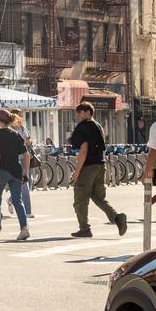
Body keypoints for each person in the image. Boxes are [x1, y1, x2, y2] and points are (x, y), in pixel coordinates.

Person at [68, 102, 127, 239]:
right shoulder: (98, 126)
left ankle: (84, 229)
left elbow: (83, 150)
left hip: (88, 167)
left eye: (80, 112)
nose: (78, 115)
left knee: (80, 200)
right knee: (98, 197)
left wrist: (77, 172)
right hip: (100, 165)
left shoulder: (84, 127)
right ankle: (117, 218)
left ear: (88, 112)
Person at [0, 109, 30, 240]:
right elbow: (26, 154)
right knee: (18, 200)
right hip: (16, 171)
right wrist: (25, 171)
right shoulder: (15, 134)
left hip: (2, 171)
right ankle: (24, 228)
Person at [6, 109, 35, 220]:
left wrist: (29, 143)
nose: (21, 118)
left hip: (26, 158)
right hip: (17, 160)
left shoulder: (24, 128)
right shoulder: (11, 130)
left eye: (21, 116)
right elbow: (14, 144)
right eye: (19, 116)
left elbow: (28, 141)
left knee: (27, 184)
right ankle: (27, 211)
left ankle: (11, 200)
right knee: (25, 185)